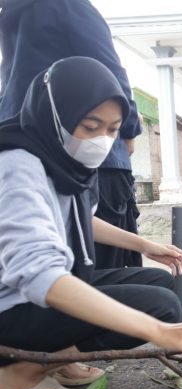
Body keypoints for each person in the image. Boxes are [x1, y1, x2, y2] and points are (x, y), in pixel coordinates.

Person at [0, 57, 182, 389]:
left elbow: (81, 221)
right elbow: (40, 275)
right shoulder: (18, 165)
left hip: (40, 292)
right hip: (11, 305)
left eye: (112, 129)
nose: (101, 141)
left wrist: (145, 246)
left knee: (158, 281)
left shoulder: (63, 159)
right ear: (55, 113)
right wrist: (160, 332)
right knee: (159, 309)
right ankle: (18, 372)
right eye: (91, 126)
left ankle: (57, 359)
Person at [0, 0, 144, 270]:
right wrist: (126, 130)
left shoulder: (12, 13)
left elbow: (11, 86)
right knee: (102, 266)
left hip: (34, 143)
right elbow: (109, 74)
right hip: (96, 164)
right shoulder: (68, 5)